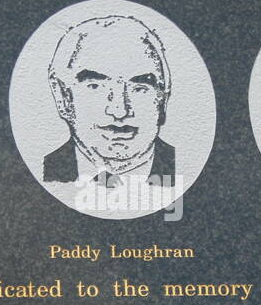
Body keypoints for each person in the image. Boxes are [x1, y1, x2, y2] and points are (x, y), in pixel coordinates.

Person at [43, 14, 175, 190]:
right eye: (96, 86)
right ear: (63, 96)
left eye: (139, 88)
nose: (120, 111)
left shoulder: (185, 166)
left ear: (162, 99)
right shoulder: (38, 173)